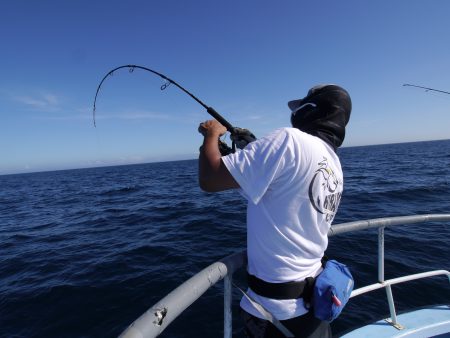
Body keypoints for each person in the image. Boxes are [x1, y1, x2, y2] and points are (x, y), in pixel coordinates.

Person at [198, 84, 352, 337]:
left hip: (274, 313)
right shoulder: (333, 162)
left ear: (310, 109)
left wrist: (210, 135)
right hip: (314, 303)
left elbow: (210, 179)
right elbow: (281, 187)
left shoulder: (289, 139)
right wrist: (252, 147)